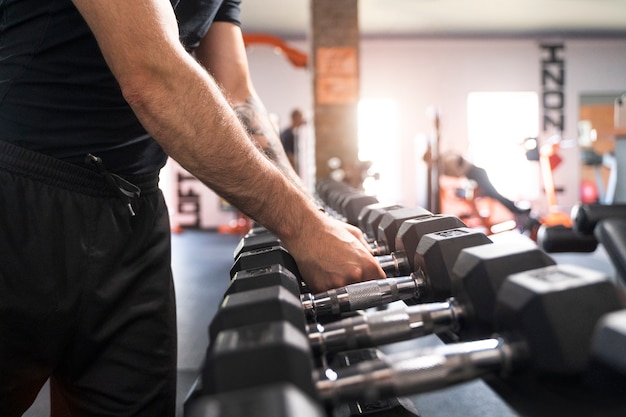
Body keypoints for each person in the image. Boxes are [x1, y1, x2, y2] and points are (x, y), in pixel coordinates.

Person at [0, 0, 385, 415]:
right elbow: (151, 75)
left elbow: (236, 95)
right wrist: (303, 227)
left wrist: (316, 221)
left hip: (134, 209)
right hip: (19, 189)